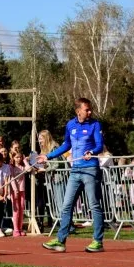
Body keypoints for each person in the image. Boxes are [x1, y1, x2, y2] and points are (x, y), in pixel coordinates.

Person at [40, 98, 105, 253]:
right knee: (66, 206)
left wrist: (92, 152)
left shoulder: (95, 124)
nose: (90, 112)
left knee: (94, 205)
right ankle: (61, 241)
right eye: (86, 110)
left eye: (90, 109)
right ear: (78, 111)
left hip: (90, 170)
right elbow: (66, 145)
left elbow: (99, 145)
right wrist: (48, 156)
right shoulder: (70, 125)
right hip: (75, 171)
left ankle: (98, 241)